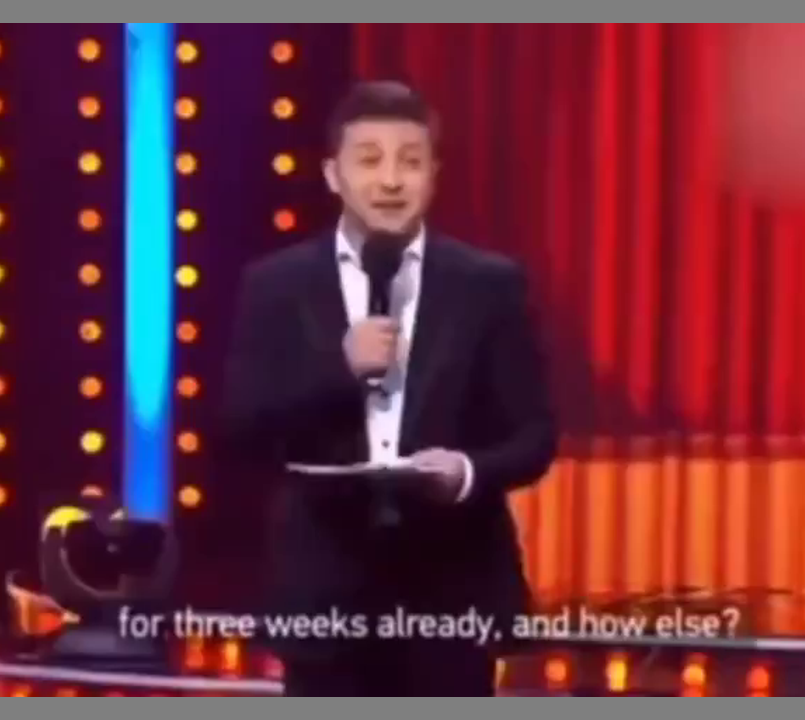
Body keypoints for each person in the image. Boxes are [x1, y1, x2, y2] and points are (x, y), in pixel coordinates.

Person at [219, 80, 557, 696]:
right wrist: (338, 372)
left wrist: (466, 472)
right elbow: (242, 426)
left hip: (450, 592)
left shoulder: (488, 284)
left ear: (434, 174)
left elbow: (534, 434)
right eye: (370, 160)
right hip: (323, 591)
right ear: (333, 174)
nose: (391, 180)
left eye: (410, 161)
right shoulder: (275, 285)